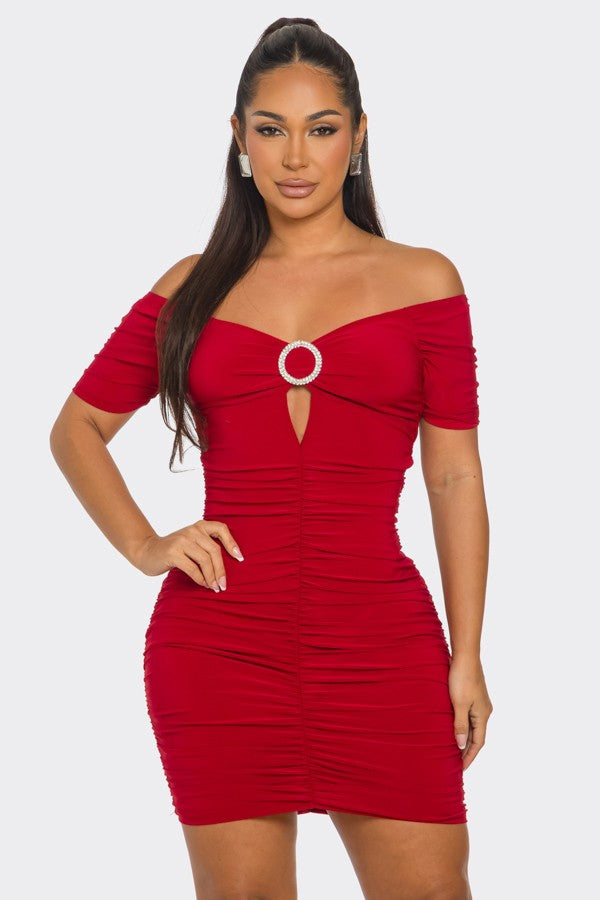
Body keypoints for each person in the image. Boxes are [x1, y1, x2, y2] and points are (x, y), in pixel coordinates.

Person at [50, 16, 493, 900]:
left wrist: (467, 654)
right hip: (217, 646)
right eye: (271, 128)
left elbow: (453, 476)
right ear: (238, 137)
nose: (295, 156)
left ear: (358, 137)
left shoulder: (424, 280)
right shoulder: (192, 285)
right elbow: (76, 429)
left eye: (321, 129)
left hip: (382, 642)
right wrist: (147, 545)